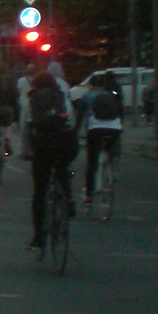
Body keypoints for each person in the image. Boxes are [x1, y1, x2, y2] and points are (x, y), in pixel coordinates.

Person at [26, 70, 79, 251]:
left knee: (40, 191)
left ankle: (39, 237)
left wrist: (26, 151)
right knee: (62, 167)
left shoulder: (33, 98)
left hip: (43, 144)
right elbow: (72, 120)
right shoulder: (62, 95)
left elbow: (28, 122)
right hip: (66, 142)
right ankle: (69, 200)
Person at [78, 71, 124, 208]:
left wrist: (74, 133)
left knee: (92, 162)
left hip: (95, 129)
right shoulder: (111, 95)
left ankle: (88, 196)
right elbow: (120, 111)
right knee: (109, 149)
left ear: (91, 85)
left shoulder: (86, 97)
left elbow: (80, 118)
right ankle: (111, 165)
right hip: (114, 128)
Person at [16, 61, 37, 159]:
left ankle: (23, 151)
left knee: (24, 130)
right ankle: (33, 150)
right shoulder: (37, 80)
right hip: (35, 107)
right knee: (34, 130)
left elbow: (19, 91)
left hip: (25, 107)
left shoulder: (21, 81)